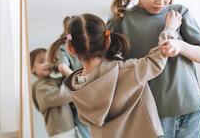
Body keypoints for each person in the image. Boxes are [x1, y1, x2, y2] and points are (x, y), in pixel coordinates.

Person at [107, 0, 200, 138]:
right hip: (150, 113)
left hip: (190, 107)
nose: (161, 1)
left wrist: (179, 45)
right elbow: (110, 68)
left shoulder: (179, 13)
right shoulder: (121, 21)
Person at [48, 12, 181, 138]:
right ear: (107, 40)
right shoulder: (126, 70)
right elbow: (157, 59)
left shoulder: (75, 88)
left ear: (71, 49)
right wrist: (169, 30)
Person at [56, 16, 91, 138]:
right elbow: (62, 67)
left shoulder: (89, 40)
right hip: (80, 97)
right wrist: (81, 80)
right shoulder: (64, 48)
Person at [30, 48, 78, 138]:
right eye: (41, 62)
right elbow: (60, 96)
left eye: (49, 61)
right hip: (60, 132)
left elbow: (64, 81)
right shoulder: (40, 88)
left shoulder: (51, 81)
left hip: (67, 128)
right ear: (32, 68)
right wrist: (75, 84)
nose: (47, 64)